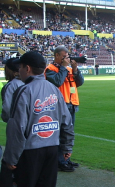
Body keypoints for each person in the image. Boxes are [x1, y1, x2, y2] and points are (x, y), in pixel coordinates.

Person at [1, 51, 74, 187]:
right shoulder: (54, 89)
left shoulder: (24, 90)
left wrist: (11, 158)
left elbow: (17, 128)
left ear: (27, 68)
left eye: (21, 67)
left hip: (30, 152)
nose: (19, 71)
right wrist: (67, 147)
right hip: (52, 149)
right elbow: (67, 121)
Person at [45, 45, 84, 172]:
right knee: (61, 133)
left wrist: (75, 69)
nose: (66, 58)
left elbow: (80, 82)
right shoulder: (50, 69)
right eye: (64, 56)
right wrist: (63, 68)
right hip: (59, 105)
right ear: (56, 55)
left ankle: (65, 159)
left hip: (72, 104)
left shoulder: (68, 68)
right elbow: (57, 81)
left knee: (68, 134)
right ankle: (60, 161)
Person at [0, 58, 24, 187]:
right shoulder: (28, 82)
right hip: (32, 130)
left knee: (9, 164)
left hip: (15, 129)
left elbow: (7, 112)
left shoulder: (10, 86)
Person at [1, 58, 24, 122]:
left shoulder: (11, 85)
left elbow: (7, 109)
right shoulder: (30, 81)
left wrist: (5, 117)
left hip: (17, 124)